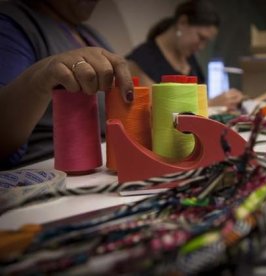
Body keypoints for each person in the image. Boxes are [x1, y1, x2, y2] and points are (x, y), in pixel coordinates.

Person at [0, 0, 133, 169]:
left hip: (104, 169)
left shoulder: (90, 34)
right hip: (51, 177)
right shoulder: (10, 24)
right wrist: (40, 79)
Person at [126, 0, 244, 111]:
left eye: (206, 42)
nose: (201, 47)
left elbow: (197, 102)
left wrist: (224, 102)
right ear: (182, 22)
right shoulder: (140, 62)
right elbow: (157, 112)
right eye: (201, 38)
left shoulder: (190, 61)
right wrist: (210, 105)